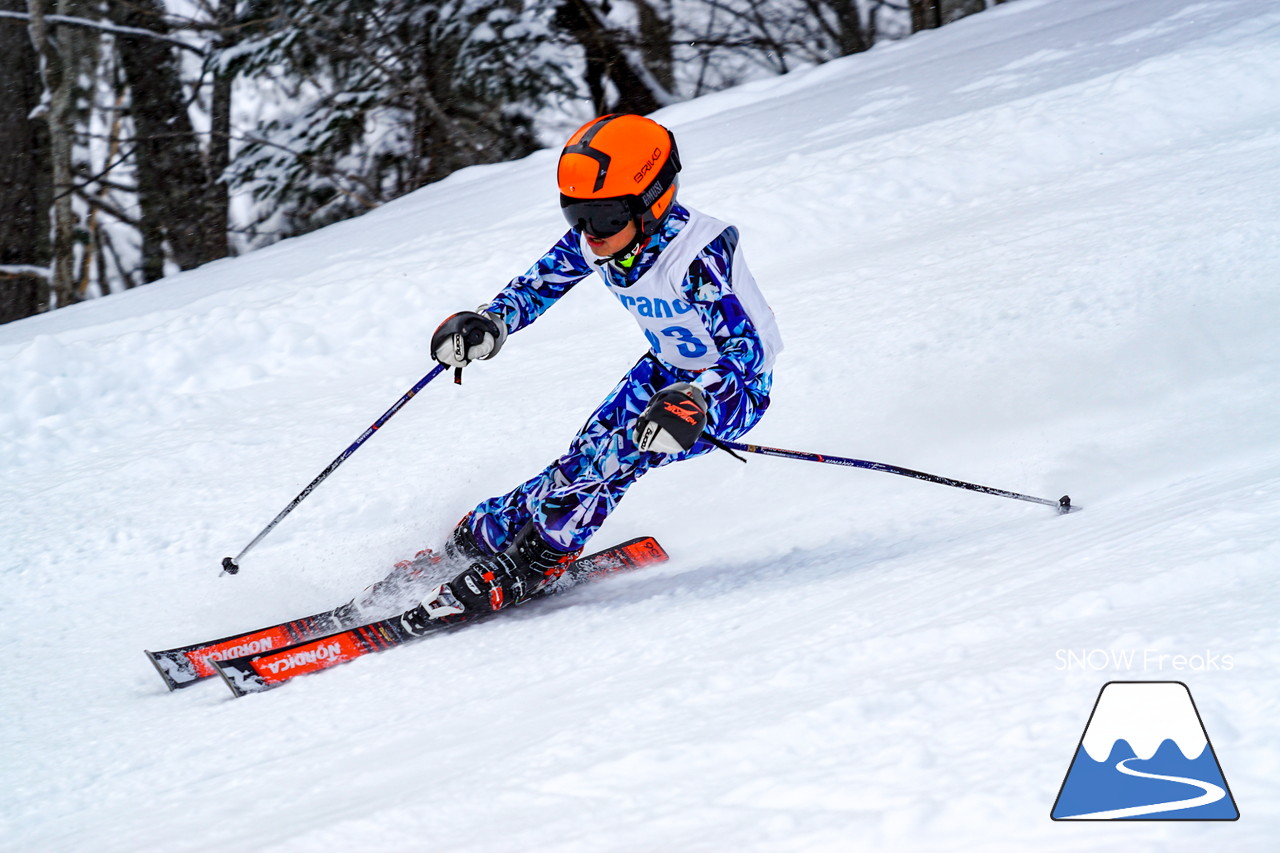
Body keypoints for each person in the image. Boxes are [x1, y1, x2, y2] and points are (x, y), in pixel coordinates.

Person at [376, 113, 783, 625]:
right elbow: (538, 285)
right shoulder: (606, 241)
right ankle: (485, 535)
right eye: (577, 216)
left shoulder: (695, 258)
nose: (590, 234)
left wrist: (699, 399)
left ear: (651, 201)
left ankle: (537, 559)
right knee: (587, 451)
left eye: (606, 217)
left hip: (727, 392)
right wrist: (489, 324)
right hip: (665, 370)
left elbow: (745, 353)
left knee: (618, 455)